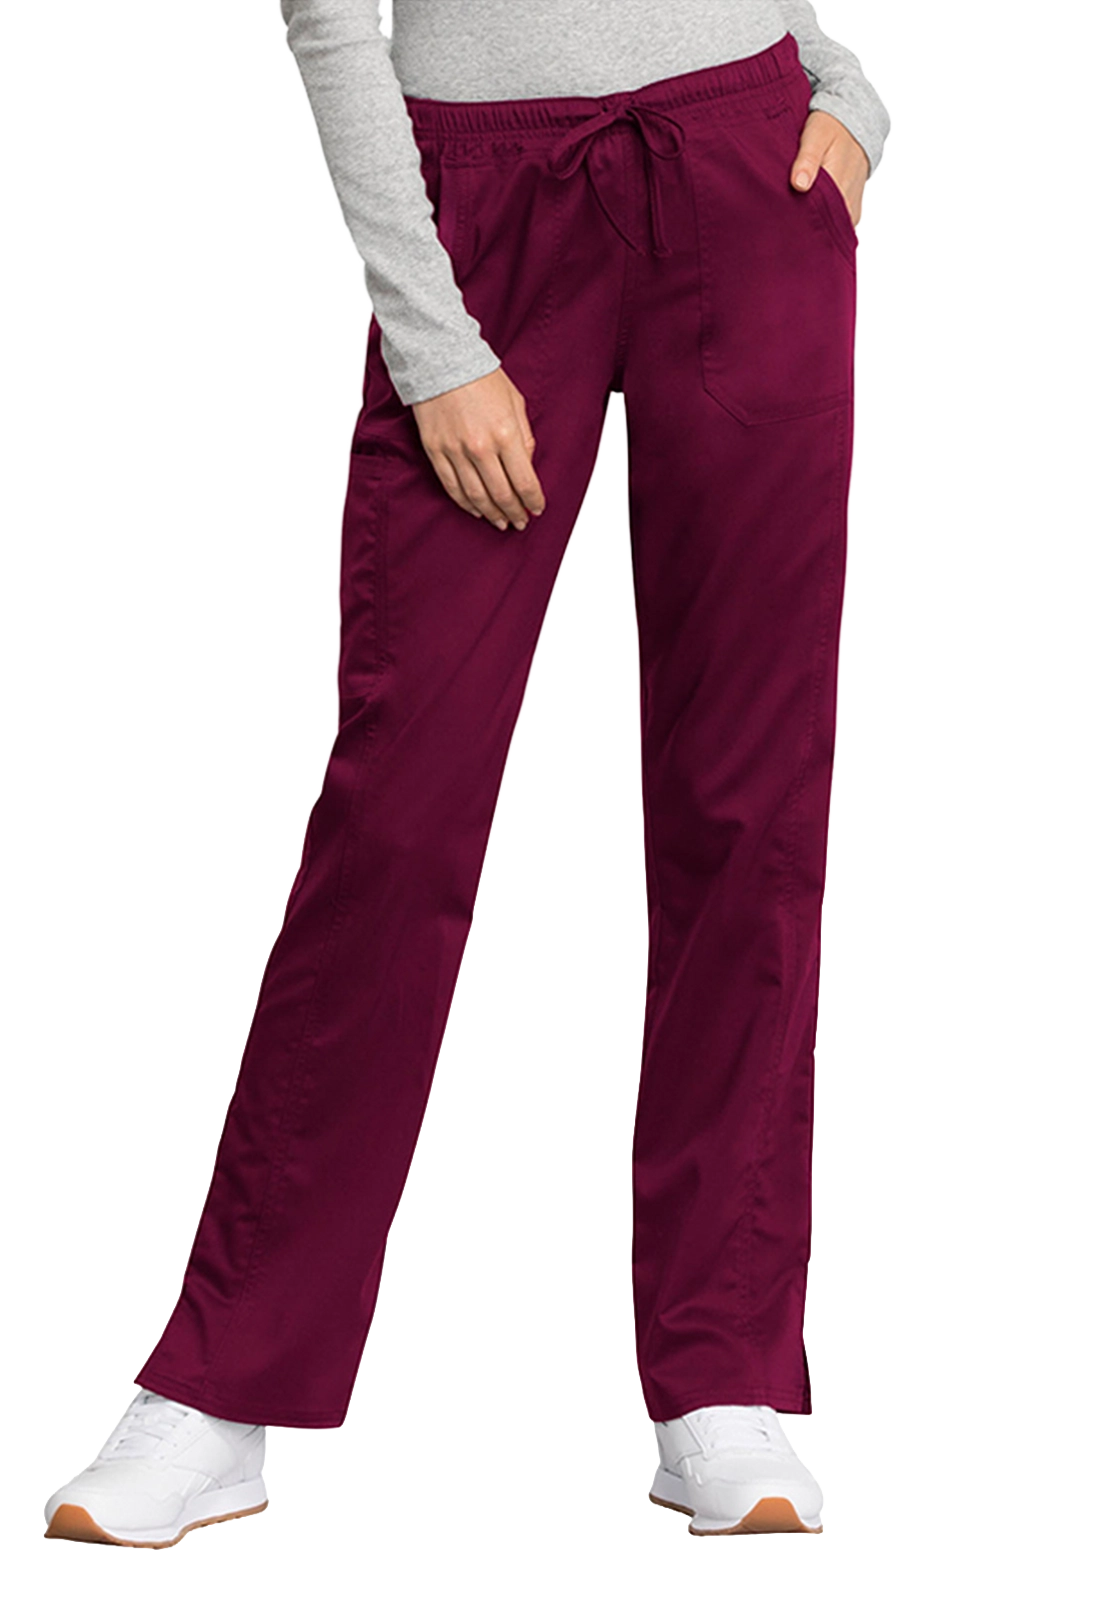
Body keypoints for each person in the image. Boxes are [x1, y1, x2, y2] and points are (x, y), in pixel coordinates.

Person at [43, 0, 892, 1547]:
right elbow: (330, 19)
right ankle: (223, 1386)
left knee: (749, 804)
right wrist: (435, 346)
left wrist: (839, 83)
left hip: (746, 168)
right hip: (488, 212)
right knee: (400, 812)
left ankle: (723, 1374)